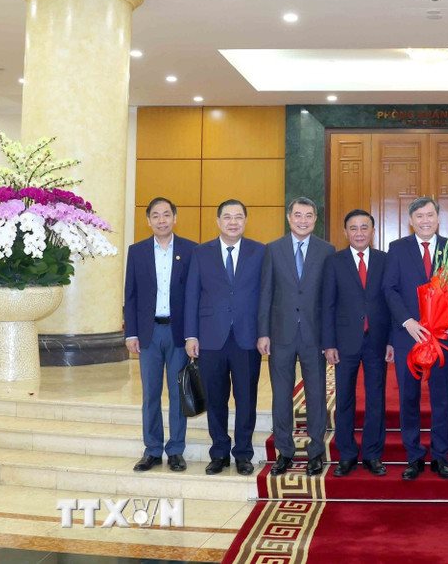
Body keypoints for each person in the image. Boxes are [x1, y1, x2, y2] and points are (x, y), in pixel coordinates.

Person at [185, 199, 265, 475]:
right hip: (210, 337)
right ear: (218, 221)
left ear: (246, 220)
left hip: (247, 338)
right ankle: (219, 452)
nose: (233, 222)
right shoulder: (200, 252)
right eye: (227, 217)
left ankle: (243, 453)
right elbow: (192, 295)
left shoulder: (259, 251)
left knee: (246, 399)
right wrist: (191, 335)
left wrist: (264, 332)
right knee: (215, 398)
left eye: (238, 217)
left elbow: (266, 296)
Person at [258, 197, 334, 476]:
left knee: (316, 394)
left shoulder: (327, 250)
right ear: (289, 218)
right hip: (281, 334)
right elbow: (265, 293)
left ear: (316, 219)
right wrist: (263, 333)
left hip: (314, 335)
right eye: (298, 215)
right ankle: (284, 451)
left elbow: (329, 298)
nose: (303, 220)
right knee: (281, 395)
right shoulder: (273, 249)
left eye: (309, 215)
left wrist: (330, 338)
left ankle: (316, 452)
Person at [383, 197, 448, 481]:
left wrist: (445, 321)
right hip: (408, 335)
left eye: (430, 215)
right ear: (411, 221)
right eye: (419, 217)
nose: (425, 221)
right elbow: (389, 289)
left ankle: (441, 456)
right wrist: (407, 321)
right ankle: (414, 456)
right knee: (409, 396)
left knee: (442, 398)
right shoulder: (397, 249)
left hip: (441, 337)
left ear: (438, 218)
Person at [124, 197, 196, 473]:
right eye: (156, 215)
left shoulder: (191, 250)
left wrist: (192, 334)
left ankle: (175, 450)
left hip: (178, 333)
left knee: (178, 393)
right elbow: (131, 295)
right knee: (150, 394)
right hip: (149, 333)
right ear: (148, 220)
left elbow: (195, 296)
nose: (162, 220)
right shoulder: (137, 251)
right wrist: (131, 332)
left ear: (175, 218)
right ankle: (152, 450)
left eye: (167, 214)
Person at [322, 209, 393, 477]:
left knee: (376, 398)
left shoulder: (385, 260)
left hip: (377, 340)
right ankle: (347, 454)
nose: (359, 233)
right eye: (353, 228)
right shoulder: (334, 262)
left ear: (373, 231)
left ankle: (373, 454)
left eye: (364, 227)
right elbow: (327, 305)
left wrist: (391, 340)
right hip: (344, 342)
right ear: (345, 232)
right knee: (344, 398)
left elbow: (392, 303)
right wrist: (329, 343)